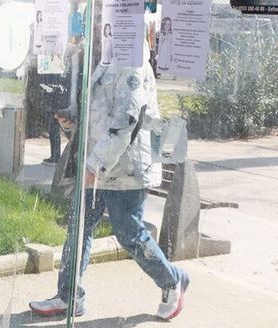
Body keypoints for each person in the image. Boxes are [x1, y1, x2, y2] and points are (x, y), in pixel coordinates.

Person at [29, 35, 189, 321]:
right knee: (79, 226)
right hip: (97, 162)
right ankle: (69, 297)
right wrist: (73, 121)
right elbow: (99, 110)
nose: (97, 21)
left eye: (105, 14)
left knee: (127, 230)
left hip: (125, 167)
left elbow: (127, 120)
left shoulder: (132, 59)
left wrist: (95, 164)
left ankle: (173, 280)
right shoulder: (97, 55)